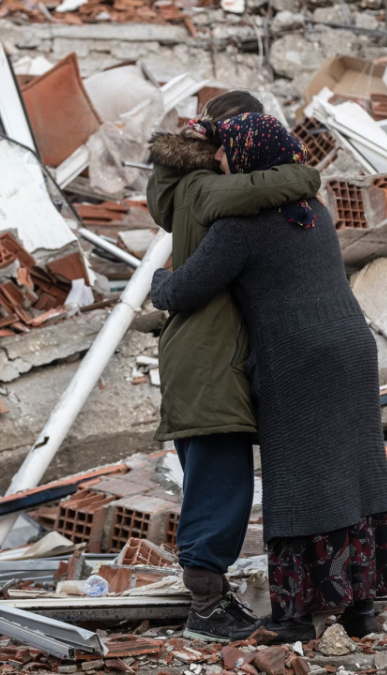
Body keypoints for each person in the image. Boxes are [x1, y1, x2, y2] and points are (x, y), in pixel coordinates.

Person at [150, 112, 387, 641]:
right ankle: (360, 611)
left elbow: (184, 291)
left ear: (247, 158)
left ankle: (293, 617)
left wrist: (159, 277)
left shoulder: (243, 227)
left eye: (224, 151)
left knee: (298, 483)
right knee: (353, 474)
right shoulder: (317, 211)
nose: (218, 159)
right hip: (354, 350)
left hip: (298, 358)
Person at [146, 92, 323, 642]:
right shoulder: (202, 190)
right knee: (220, 488)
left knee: (216, 481)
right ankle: (205, 610)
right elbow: (264, 185)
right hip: (208, 360)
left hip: (207, 356)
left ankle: (209, 602)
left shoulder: (182, 189)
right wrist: (306, 175)